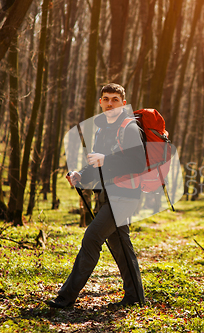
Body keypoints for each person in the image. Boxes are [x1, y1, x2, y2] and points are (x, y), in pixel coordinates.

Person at [47, 83, 146, 309]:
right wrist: (80, 174)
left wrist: (106, 160)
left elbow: (138, 162)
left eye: (114, 99)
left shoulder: (129, 128)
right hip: (107, 195)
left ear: (123, 102)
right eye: (106, 99)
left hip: (125, 196)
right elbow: (96, 162)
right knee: (120, 244)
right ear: (100, 102)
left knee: (91, 238)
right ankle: (135, 297)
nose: (110, 103)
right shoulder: (102, 130)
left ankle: (66, 297)